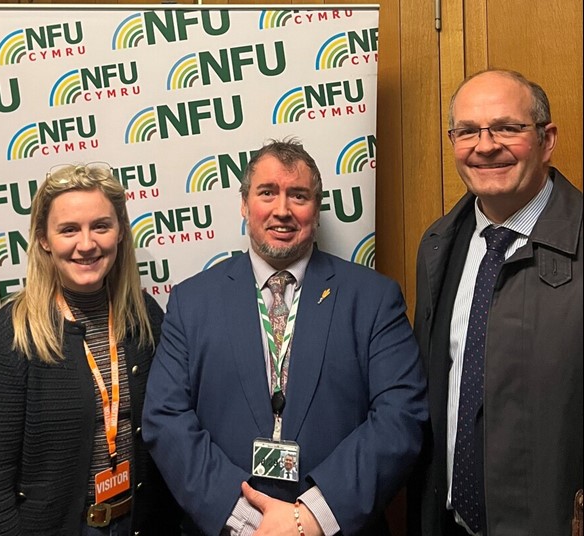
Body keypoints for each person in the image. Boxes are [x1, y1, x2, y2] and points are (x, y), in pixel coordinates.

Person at [142, 138, 428, 536]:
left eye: (299, 195)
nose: (282, 210)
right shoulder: (193, 301)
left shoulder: (373, 298)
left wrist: (311, 517)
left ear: (317, 207)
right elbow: (165, 417)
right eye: (267, 193)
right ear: (244, 204)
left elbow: (402, 415)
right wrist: (245, 520)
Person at [0, 163, 181, 535]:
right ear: (44, 239)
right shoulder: (12, 334)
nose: (86, 244)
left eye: (101, 226)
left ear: (120, 232)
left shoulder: (145, 318)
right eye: (68, 230)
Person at [407, 69, 583, 536]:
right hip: (452, 523)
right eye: (467, 132)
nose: (485, 146)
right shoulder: (438, 245)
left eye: (507, 127)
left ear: (547, 140)